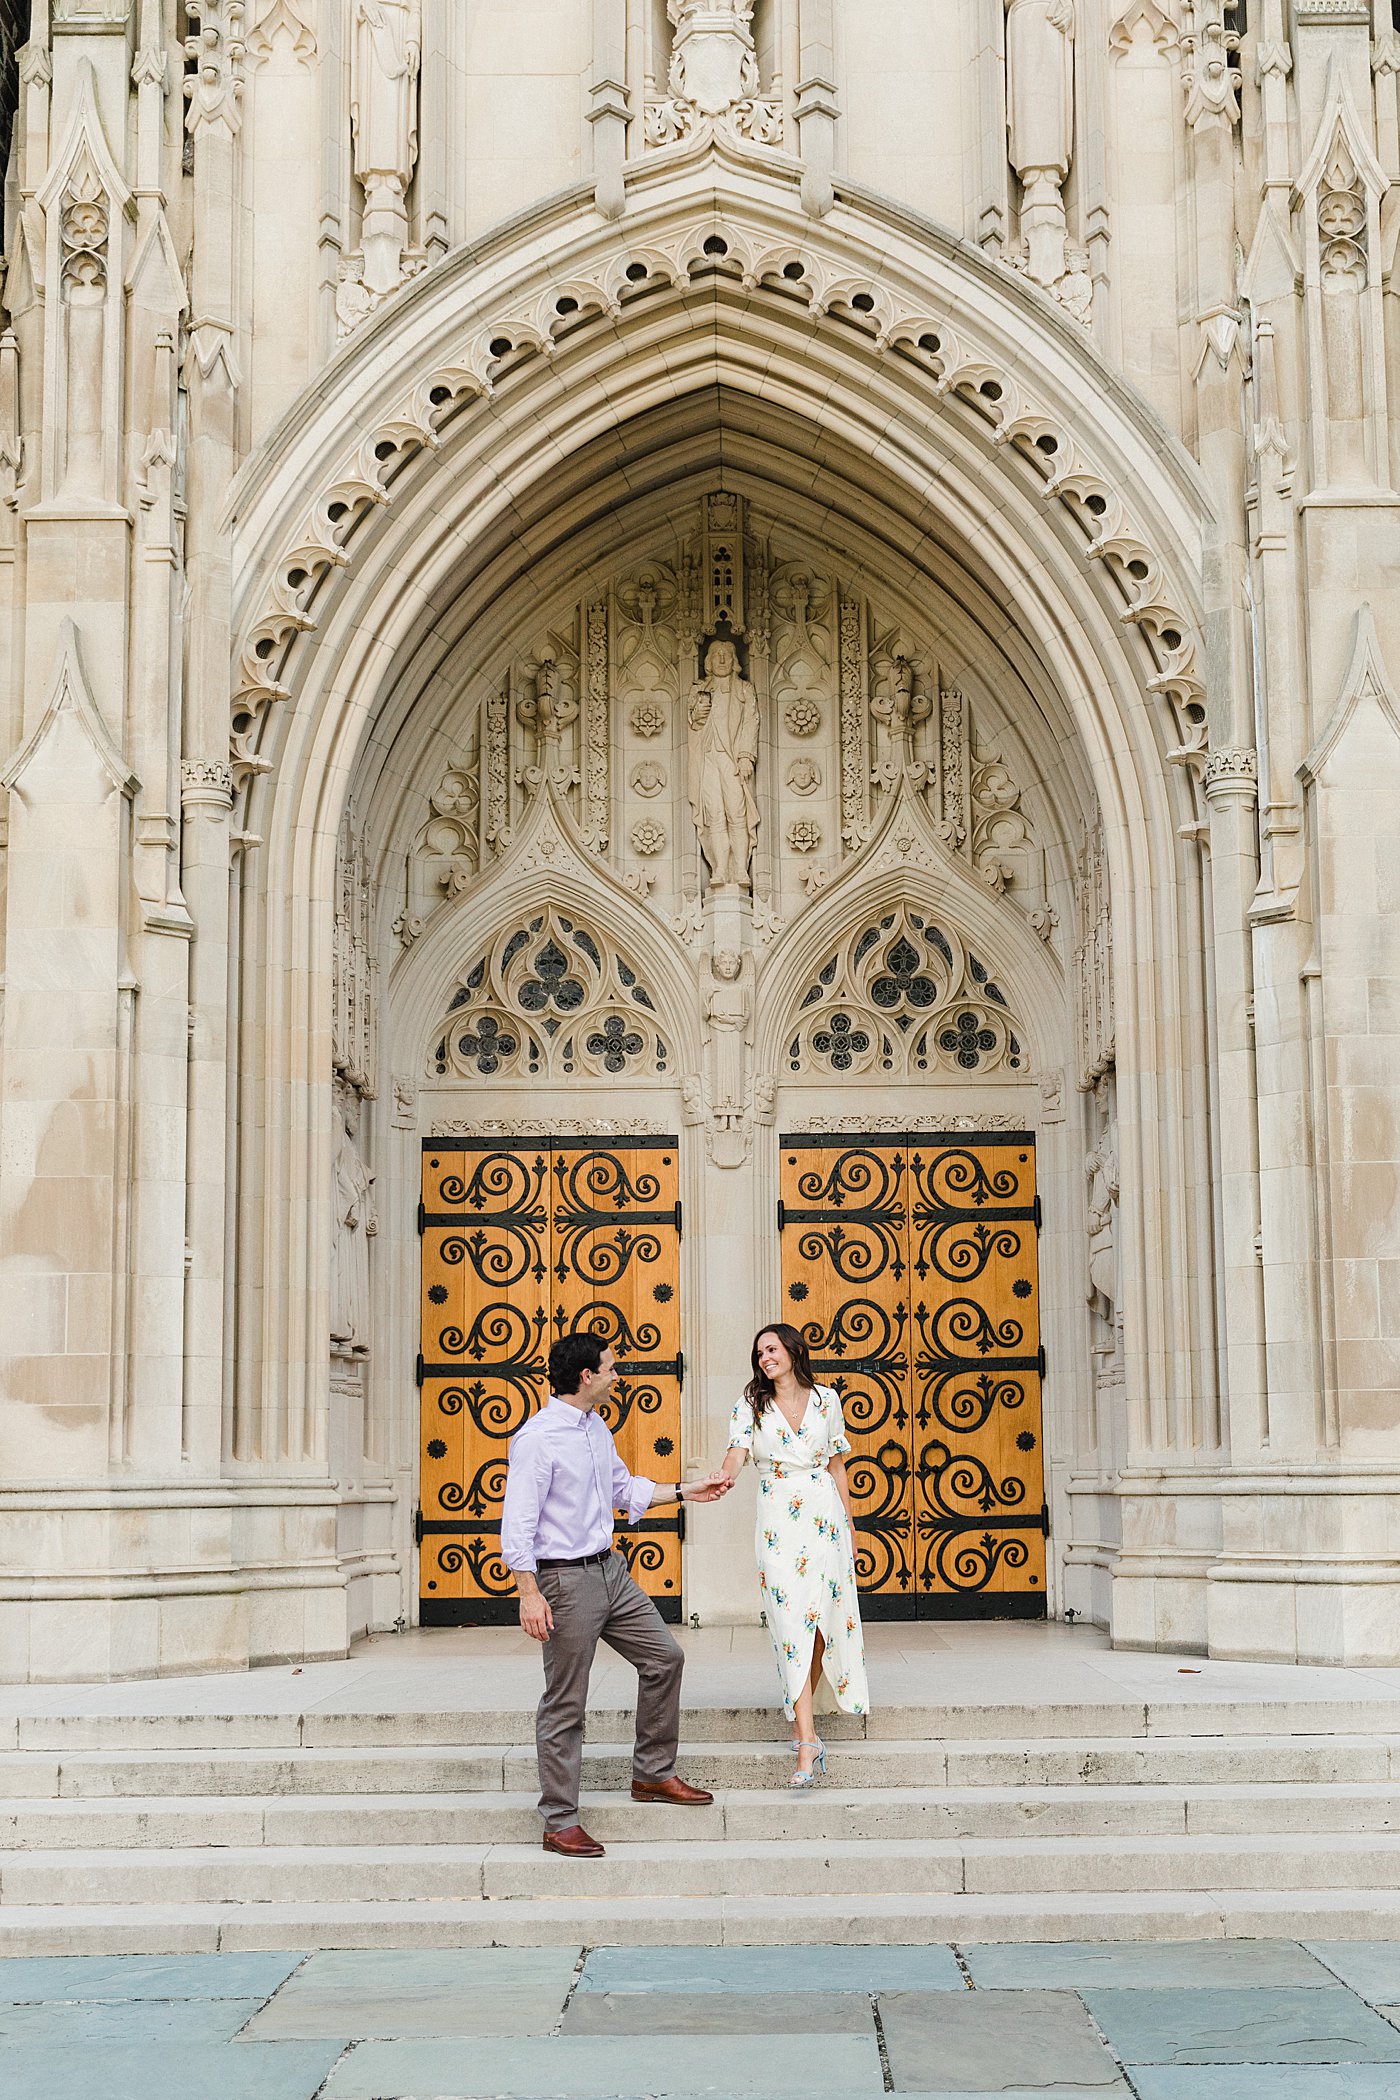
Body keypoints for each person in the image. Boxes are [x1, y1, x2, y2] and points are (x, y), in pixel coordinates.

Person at [501, 1331, 732, 1858]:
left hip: (611, 1573)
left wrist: (686, 1491)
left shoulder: (594, 1427)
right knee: (566, 1702)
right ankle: (559, 1821)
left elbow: (623, 1489)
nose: (616, 1374)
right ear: (586, 1376)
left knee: (665, 1658)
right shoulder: (538, 1438)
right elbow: (518, 1523)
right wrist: (528, 1592)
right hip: (564, 1581)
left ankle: (652, 1773)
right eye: (610, 1366)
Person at [718, 1323, 870, 1785]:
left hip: (824, 1515)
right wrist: (717, 1481)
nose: (765, 1357)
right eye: (759, 1351)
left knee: (823, 1623)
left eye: (772, 1348)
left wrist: (849, 1524)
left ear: (792, 1350)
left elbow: (838, 1464)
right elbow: (735, 1454)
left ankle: (808, 1719)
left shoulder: (828, 1400)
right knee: (791, 1625)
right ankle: (806, 1741)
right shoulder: (751, 1405)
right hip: (778, 1518)